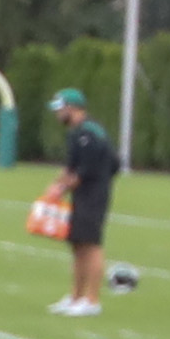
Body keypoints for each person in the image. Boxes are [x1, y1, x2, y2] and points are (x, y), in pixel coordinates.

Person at [35, 90, 123, 312]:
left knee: (91, 245)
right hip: (80, 194)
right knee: (77, 245)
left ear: (71, 108)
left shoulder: (90, 133)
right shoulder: (76, 133)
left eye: (60, 109)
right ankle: (75, 296)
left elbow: (86, 170)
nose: (57, 114)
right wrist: (55, 186)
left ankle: (92, 300)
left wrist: (61, 188)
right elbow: (71, 167)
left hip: (93, 194)